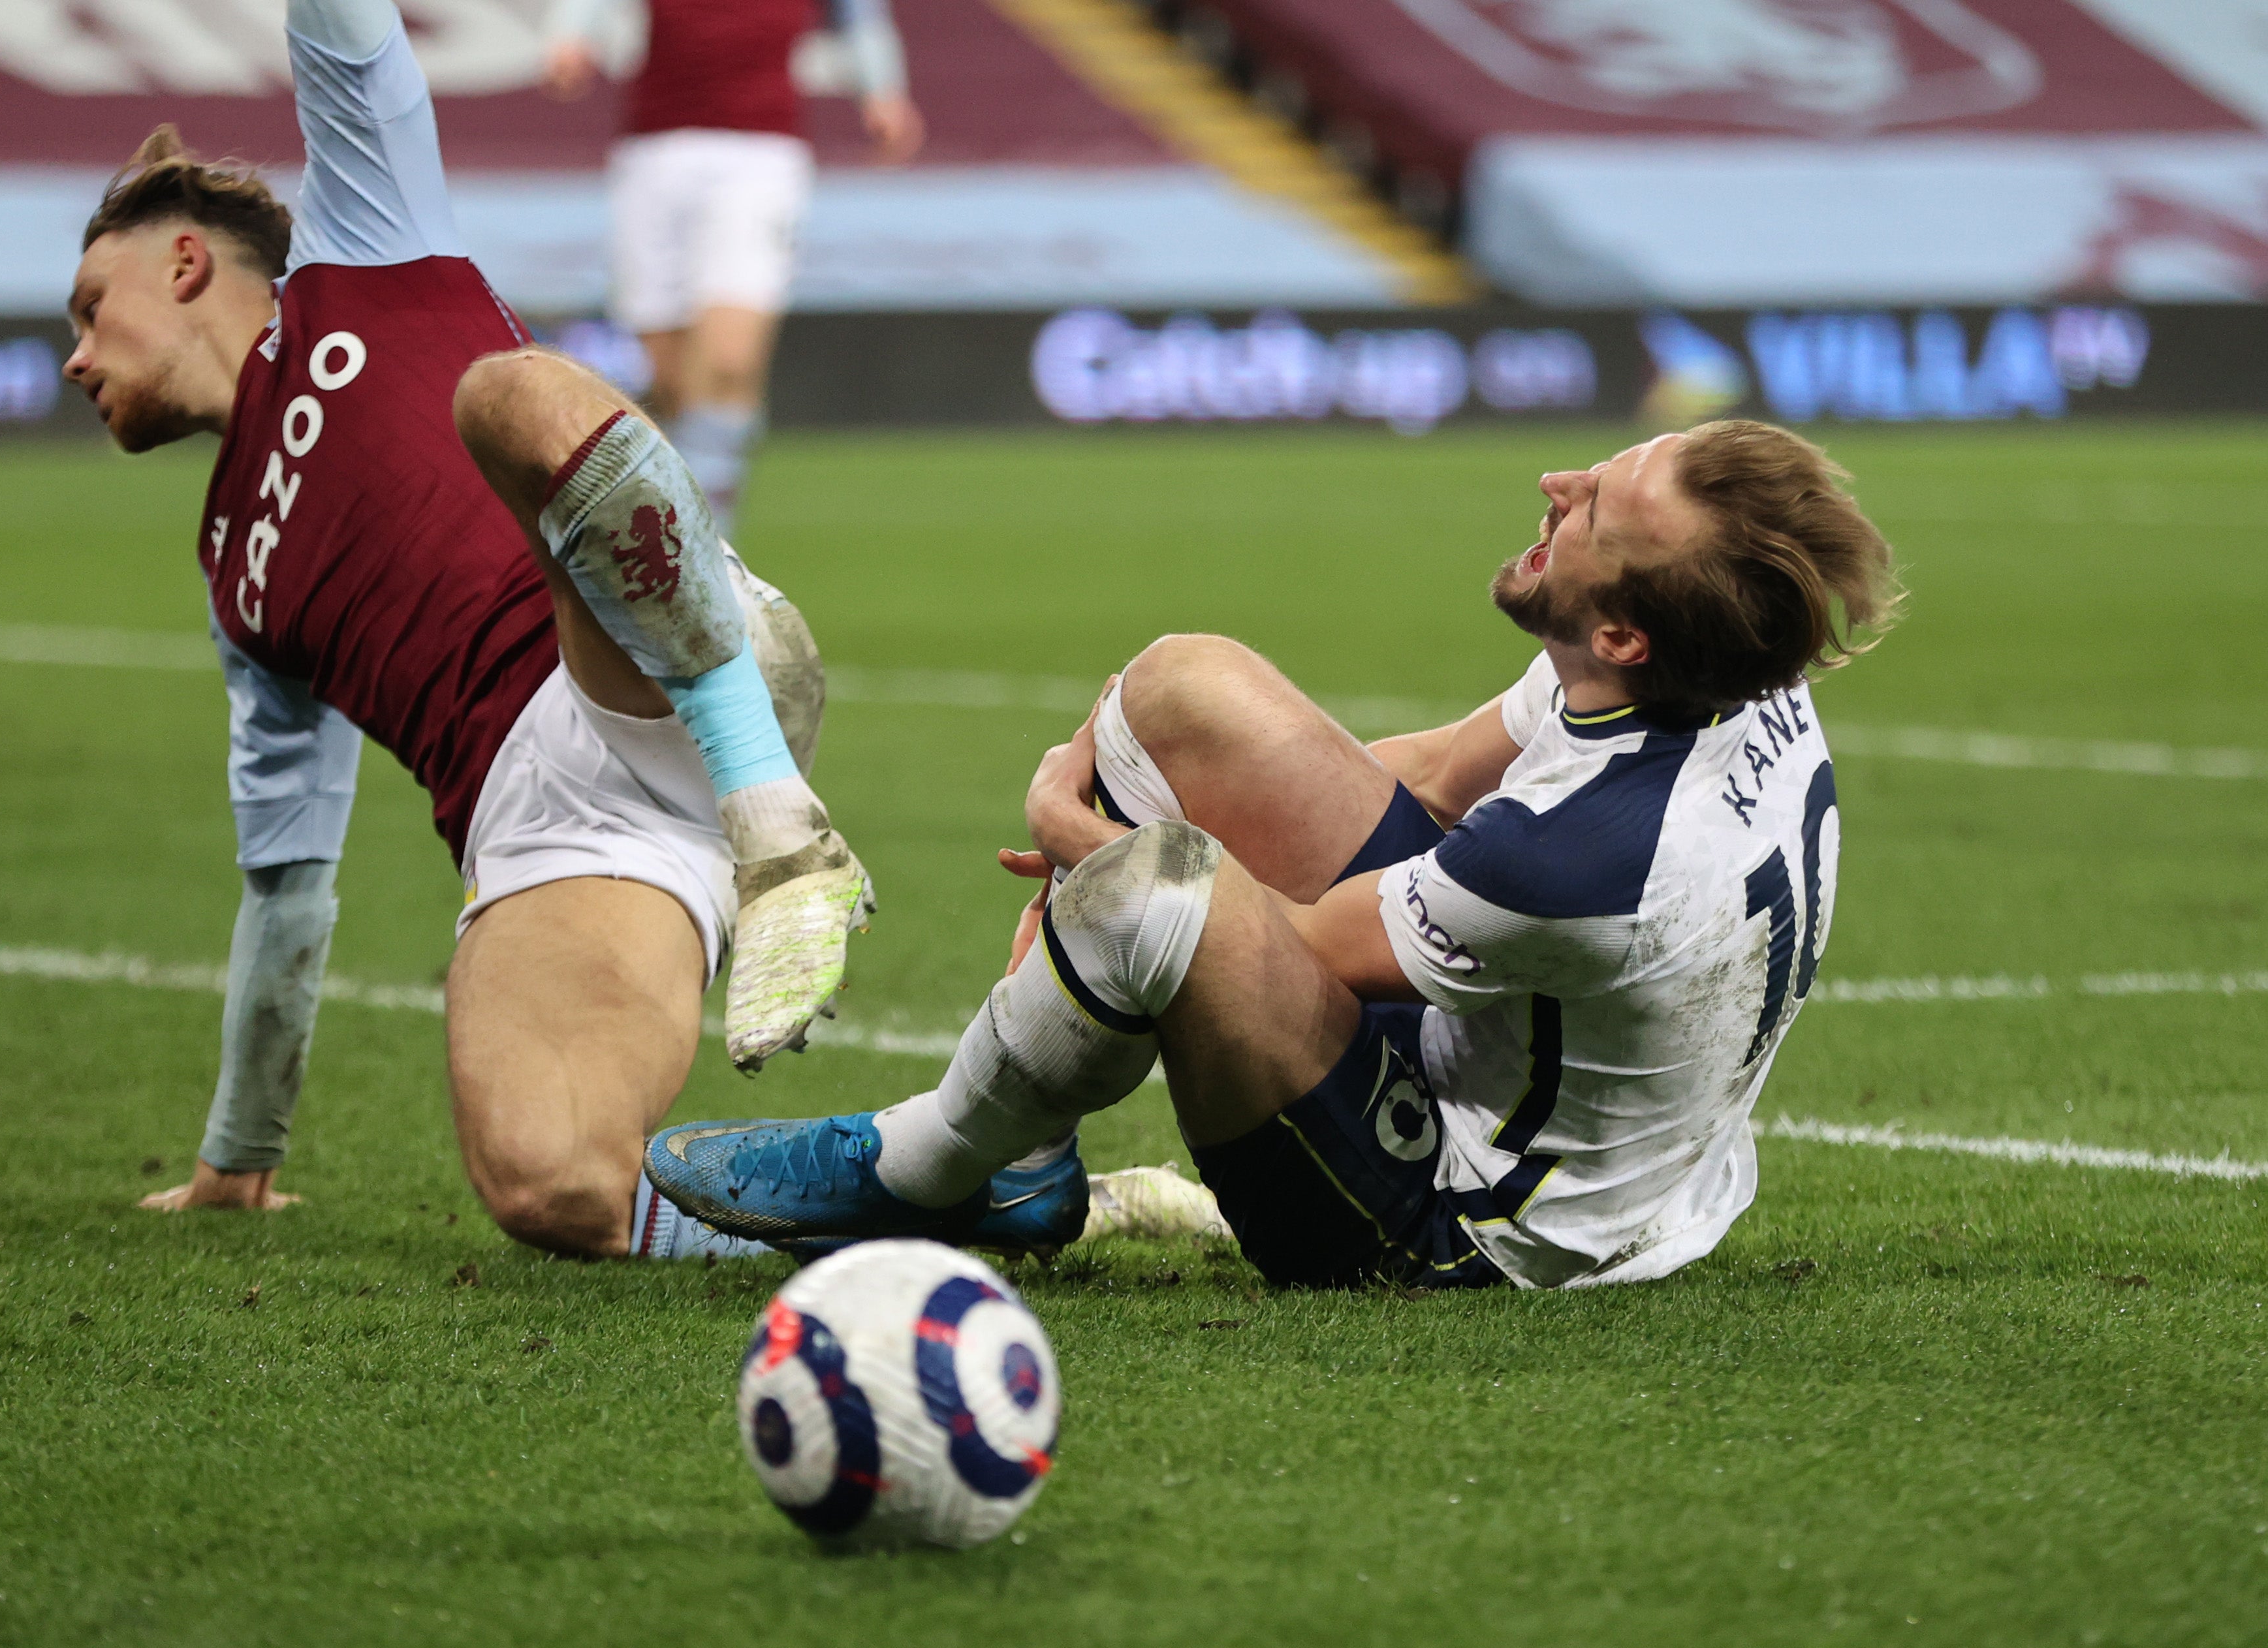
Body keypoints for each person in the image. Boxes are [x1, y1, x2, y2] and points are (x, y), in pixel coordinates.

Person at [644, 422, 1906, 1290]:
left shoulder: (1583, 858)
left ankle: (928, 1167)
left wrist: (1085, 847)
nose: (1555, 480)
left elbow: (1237, 941)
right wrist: (1166, 810)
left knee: (1148, 896)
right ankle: (1028, 1161)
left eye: (1590, 509)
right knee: (1188, 693)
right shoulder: (1697, 660)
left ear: (1624, 633)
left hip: (1476, 1220)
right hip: (1518, 1039)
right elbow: (1426, 774)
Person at [62, 0, 877, 1258]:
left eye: (87, 306)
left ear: (180, 265)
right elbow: (287, 888)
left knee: (508, 390)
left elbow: (348, 34)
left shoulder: (363, 246)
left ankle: (782, 837)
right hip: (545, 831)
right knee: (551, 1189)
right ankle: (978, 1183)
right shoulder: (235, 578)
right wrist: (240, 1155)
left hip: (640, 654)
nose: (75, 355)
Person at [540, 0, 924, 537]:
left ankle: (709, 546)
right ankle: (685, 527)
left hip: (759, 153)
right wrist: (571, 38)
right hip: (653, 153)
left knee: (727, 359)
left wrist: (882, 92)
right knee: (668, 380)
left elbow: (856, 17)